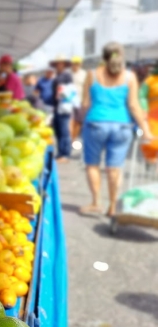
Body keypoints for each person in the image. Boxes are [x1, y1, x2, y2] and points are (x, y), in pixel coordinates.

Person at [80, 42, 152, 217]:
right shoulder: (129, 76)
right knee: (114, 168)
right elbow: (134, 105)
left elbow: (85, 104)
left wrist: (82, 120)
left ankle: (96, 202)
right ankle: (113, 206)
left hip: (95, 124)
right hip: (122, 126)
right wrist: (146, 130)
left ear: (103, 57)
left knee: (92, 164)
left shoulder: (92, 74)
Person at [49, 55, 74, 163]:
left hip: (63, 107)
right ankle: (60, 152)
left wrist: (60, 93)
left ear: (64, 64)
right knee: (58, 131)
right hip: (56, 107)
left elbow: (68, 91)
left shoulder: (66, 75)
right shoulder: (58, 75)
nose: (58, 65)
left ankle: (66, 154)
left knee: (64, 132)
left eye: (60, 63)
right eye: (57, 63)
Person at [70, 56, 87, 147]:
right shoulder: (68, 74)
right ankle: (71, 139)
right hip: (68, 102)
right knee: (71, 121)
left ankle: (73, 138)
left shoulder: (84, 74)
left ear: (80, 64)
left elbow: (86, 88)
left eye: (77, 63)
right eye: (74, 63)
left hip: (80, 101)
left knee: (78, 122)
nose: (75, 65)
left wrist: (85, 100)